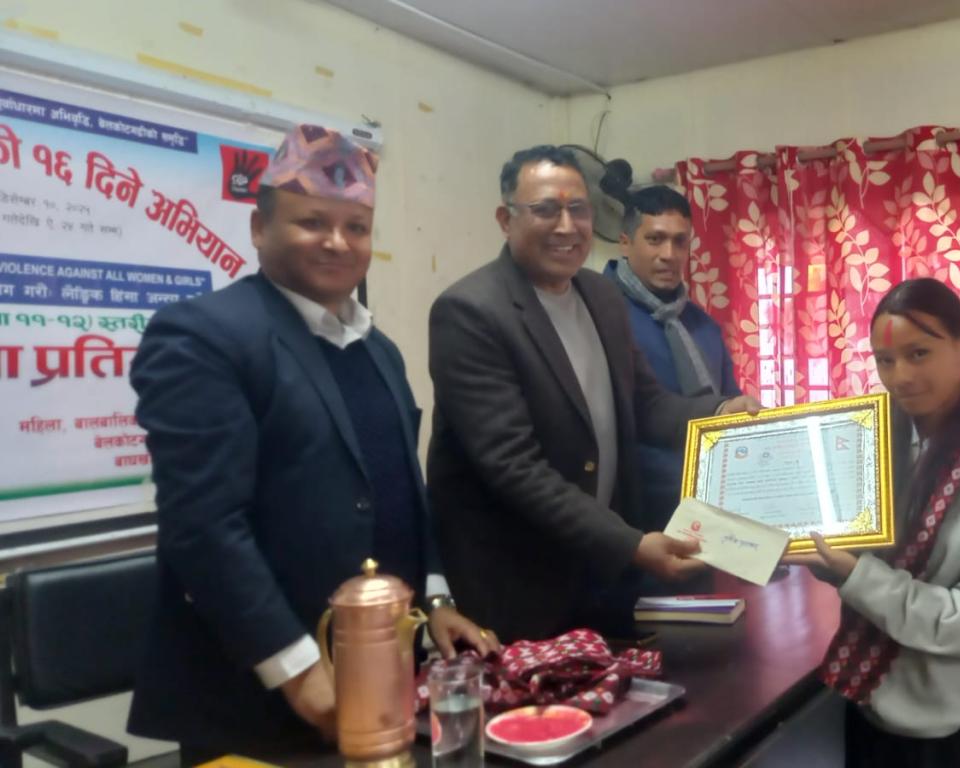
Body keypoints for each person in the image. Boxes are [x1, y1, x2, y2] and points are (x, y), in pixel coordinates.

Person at [127, 124, 498, 762]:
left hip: (382, 678)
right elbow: (203, 527)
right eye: (312, 222)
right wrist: (299, 672)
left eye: (357, 227)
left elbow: (401, 488)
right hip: (257, 697)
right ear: (258, 228)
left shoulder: (378, 349)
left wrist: (436, 599)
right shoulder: (202, 336)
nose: (338, 242)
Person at [426, 146, 761, 642]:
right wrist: (630, 544)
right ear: (505, 219)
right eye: (545, 209)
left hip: (598, 576)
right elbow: (514, 467)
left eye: (578, 209)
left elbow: (647, 405)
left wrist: (722, 412)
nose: (566, 226)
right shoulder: (470, 312)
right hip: (516, 582)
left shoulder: (600, 297)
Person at [786, 278, 960, 768]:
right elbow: (849, 551)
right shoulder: (867, 446)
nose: (901, 377)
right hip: (869, 720)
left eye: (919, 354)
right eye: (885, 360)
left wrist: (858, 577)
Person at [604, 185, 742, 557]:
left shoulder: (703, 327)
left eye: (680, 241)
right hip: (627, 526)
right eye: (655, 239)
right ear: (624, 243)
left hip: (709, 522)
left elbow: (729, 411)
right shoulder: (597, 313)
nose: (669, 254)